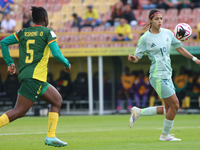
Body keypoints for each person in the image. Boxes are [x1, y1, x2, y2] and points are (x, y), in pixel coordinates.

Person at [0, 6, 71, 147]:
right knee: (19, 111)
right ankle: (50, 136)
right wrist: (67, 63)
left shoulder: (23, 32)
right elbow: (56, 54)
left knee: (57, 100)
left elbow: (3, 42)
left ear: (33, 19)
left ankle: (51, 136)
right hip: (34, 78)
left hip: (34, 78)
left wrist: (10, 62)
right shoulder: (47, 32)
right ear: (45, 19)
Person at [128, 9, 200, 141]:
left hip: (167, 74)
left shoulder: (168, 33)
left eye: (161, 18)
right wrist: (133, 59)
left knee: (168, 108)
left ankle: (138, 112)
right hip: (157, 74)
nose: (160, 21)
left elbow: (179, 48)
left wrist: (195, 59)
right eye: (157, 19)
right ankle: (165, 135)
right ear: (150, 20)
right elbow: (137, 56)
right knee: (176, 105)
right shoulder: (145, 38)